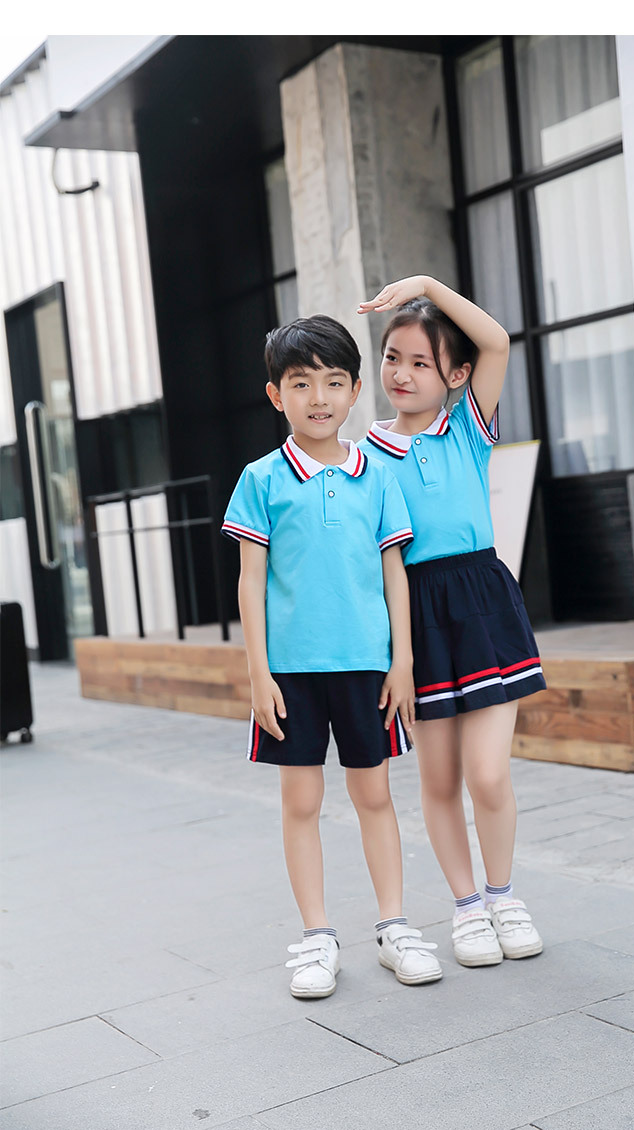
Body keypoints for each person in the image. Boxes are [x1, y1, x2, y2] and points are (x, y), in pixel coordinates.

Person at [222, 314, 442, 999]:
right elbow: (251, 581)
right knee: (301, 802)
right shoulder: (261, 479)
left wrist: (403, 660)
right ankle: (317, 936)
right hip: (290, 672)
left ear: (353, 392)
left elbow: (395, 574)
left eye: (334, 381)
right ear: (275, 395)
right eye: (300, 383)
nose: (318, 397)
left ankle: (395, 926)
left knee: (374, 794)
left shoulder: (377, 477)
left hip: (367, 667)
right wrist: (258, 672)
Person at [357, 276, 546, 970]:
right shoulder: (365, 454)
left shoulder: (467, 427)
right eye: (392, 358)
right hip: (416, 618)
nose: (401, 374)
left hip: (482, 605)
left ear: (456, 375)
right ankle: (466, 907)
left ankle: (503, 896)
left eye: (420, 362)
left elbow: (496, 340)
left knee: (488, 774)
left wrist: (427, 287)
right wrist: (393, 654)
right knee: (438, 781)